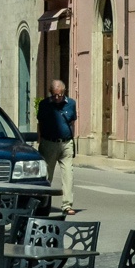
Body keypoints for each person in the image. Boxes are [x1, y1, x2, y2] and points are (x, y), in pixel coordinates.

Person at [36, 80, 77, 212]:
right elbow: (40, 124)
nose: (57, 98)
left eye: (59, 95)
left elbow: (72, 123)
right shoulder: (44, 105)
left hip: (66, 143)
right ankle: (44, 204)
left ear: (64, 92)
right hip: (49, 143)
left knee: (68, 175)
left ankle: (67, 205)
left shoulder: (71, 104)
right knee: (47, 176)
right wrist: (40, 141)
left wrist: (72, 139)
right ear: (50, 93)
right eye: (54, 95)